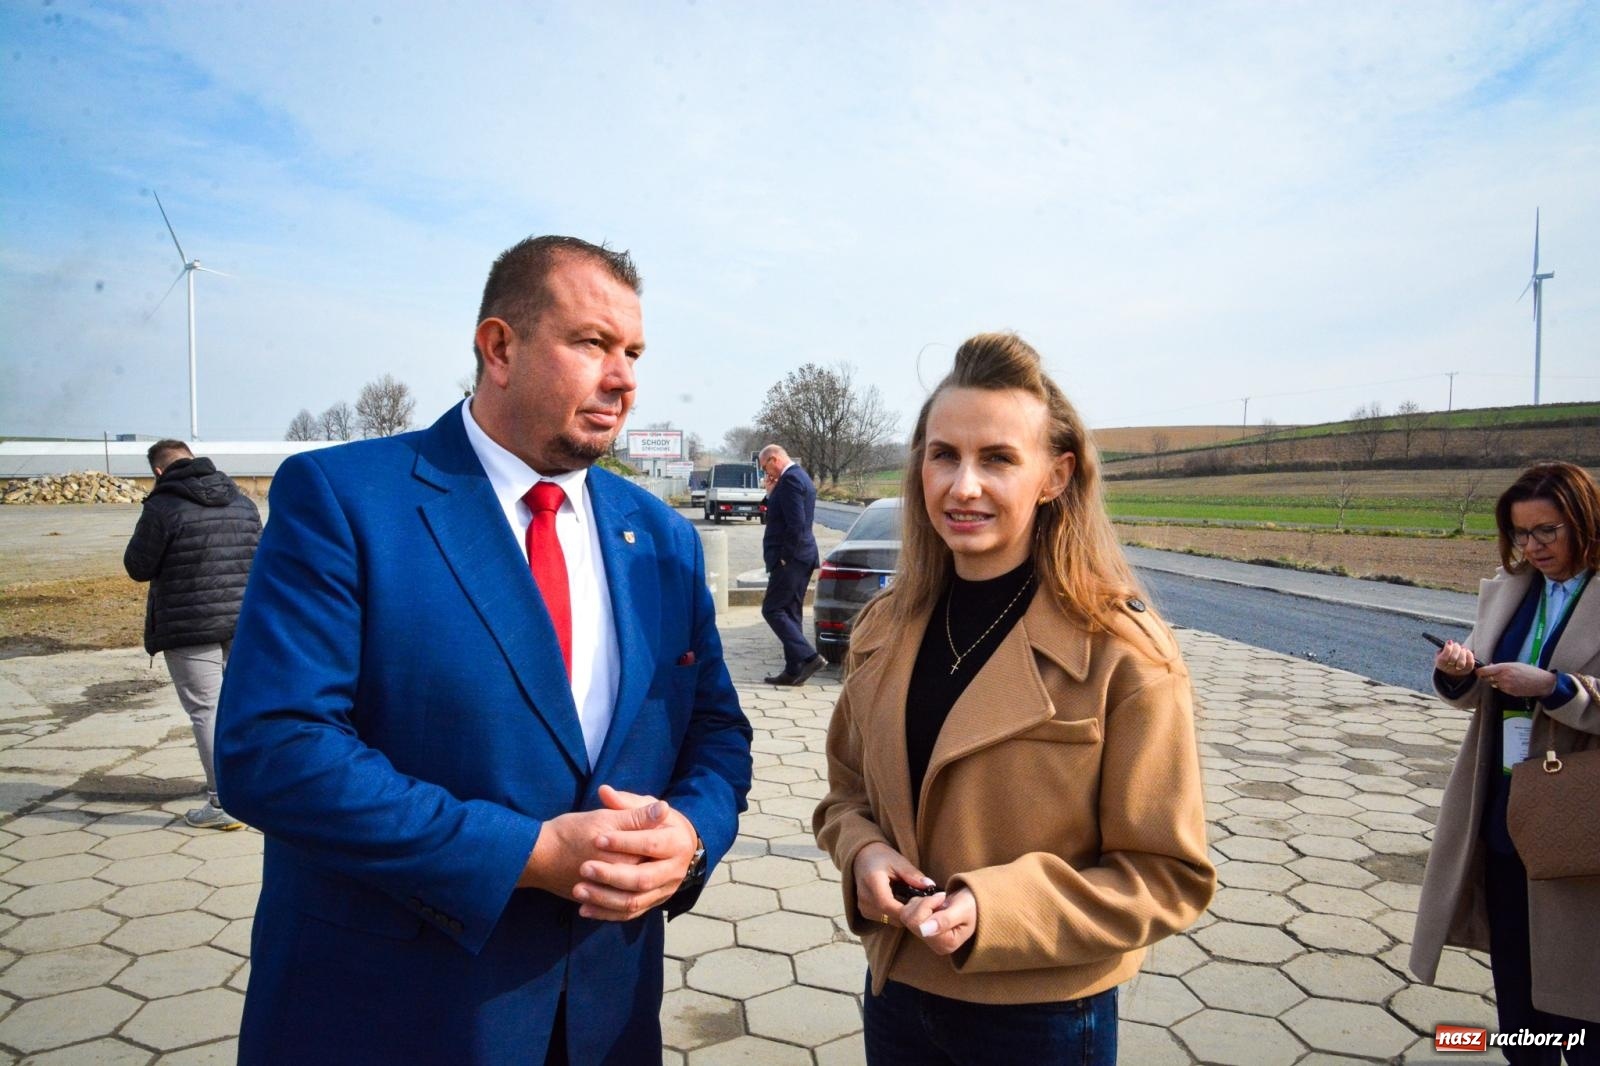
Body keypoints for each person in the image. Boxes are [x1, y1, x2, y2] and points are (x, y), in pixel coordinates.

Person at [215, 236, 753, 1065]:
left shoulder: (665, 542)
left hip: (604, 1021)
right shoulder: (346, 500)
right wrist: (528, 855)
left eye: (635, 352)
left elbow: (718, 733)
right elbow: (275, 750)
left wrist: (691, 837)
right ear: (498, 348)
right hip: (395, 1016)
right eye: (591, 344)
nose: (624, 379)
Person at [812, 333, 1214, 1065]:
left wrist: (994, 910)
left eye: (997, 458)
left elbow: (1167, 876)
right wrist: (863, 852)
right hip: (896, 992)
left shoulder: (1124, 652)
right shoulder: (882, 629)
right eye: (943, 455)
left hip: (1041, 1018)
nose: (963, 486)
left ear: (1055, 476)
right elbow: (844, 795)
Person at [1412, 461, 1600, 1059]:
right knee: (1518, 980)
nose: (1532, 547)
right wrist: (1457, 675)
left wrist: (1553, 686)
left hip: (1581, 818)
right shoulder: (1512, 590)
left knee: (1582, 979)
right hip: (1505, 808)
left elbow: (1552, 687)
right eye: (1521, 533)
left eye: (1547, 531)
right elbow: (1485, 693)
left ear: (1584, 521)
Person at [123, 439, 261, 830]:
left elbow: (138, 565)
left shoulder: (162, 506)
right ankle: (253, 791)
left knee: (206, 709)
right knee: (239, 707)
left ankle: (222, 802)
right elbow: (262, 554)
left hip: (189, 625)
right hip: (243, 621)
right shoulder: (242, 501)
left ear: (158, 472)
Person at [759, 443, 825, 686]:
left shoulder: (790, 480)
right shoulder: (798, 477)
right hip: (802, 556)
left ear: (773, 459)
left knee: (772, 609)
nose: (767, 474)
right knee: (790, 611)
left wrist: (785, 556)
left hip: (792, 558)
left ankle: (809, 657)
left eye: (765, 467)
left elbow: (796, 524)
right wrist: (770, 494)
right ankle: (794, 668)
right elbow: (780, 514)